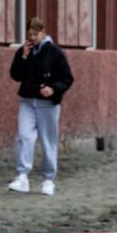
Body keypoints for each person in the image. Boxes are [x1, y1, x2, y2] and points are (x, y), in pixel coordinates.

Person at [8, 18, 74, 196]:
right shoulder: (24, 51)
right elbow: (15, 75)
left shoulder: (55, 53)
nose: (32, 38)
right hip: (27, 101)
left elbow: (67, 78)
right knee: (24, 136)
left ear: (43, 32)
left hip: (48, 104)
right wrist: (23, 56)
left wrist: (53, 89)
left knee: (48, 141)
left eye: (35, 34)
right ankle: (22, 176)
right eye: (29, 35)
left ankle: (48, 179)